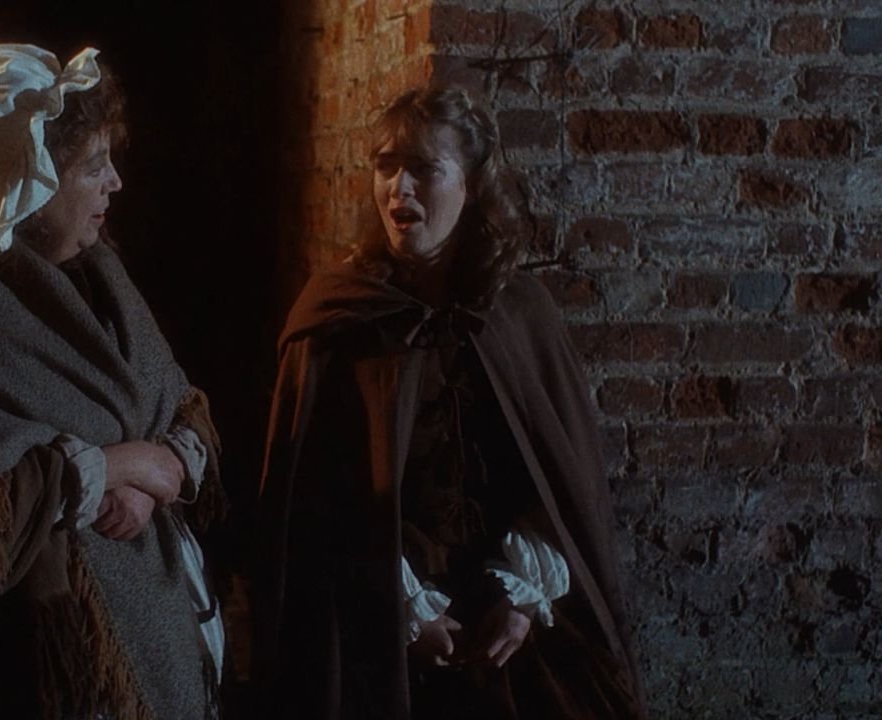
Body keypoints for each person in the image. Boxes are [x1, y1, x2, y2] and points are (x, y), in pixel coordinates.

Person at [254, 84, 647, 719]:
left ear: (472, 186)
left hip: (511, 628)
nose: (398, 190)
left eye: (423, 169)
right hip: (370, 627)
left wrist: (520, 601)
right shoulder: (338, 316)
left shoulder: (518, 312)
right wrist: (405, 612)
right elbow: (310, 507)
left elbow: (559, 485)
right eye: (386, 167)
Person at [0, 44, 226, 720]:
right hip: (21, 657)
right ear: (28, 182)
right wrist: (127, 464)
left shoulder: (97, 270)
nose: (114, 182)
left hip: (147, 606)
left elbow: (175, 404)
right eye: (93, 166)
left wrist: (159, 475)